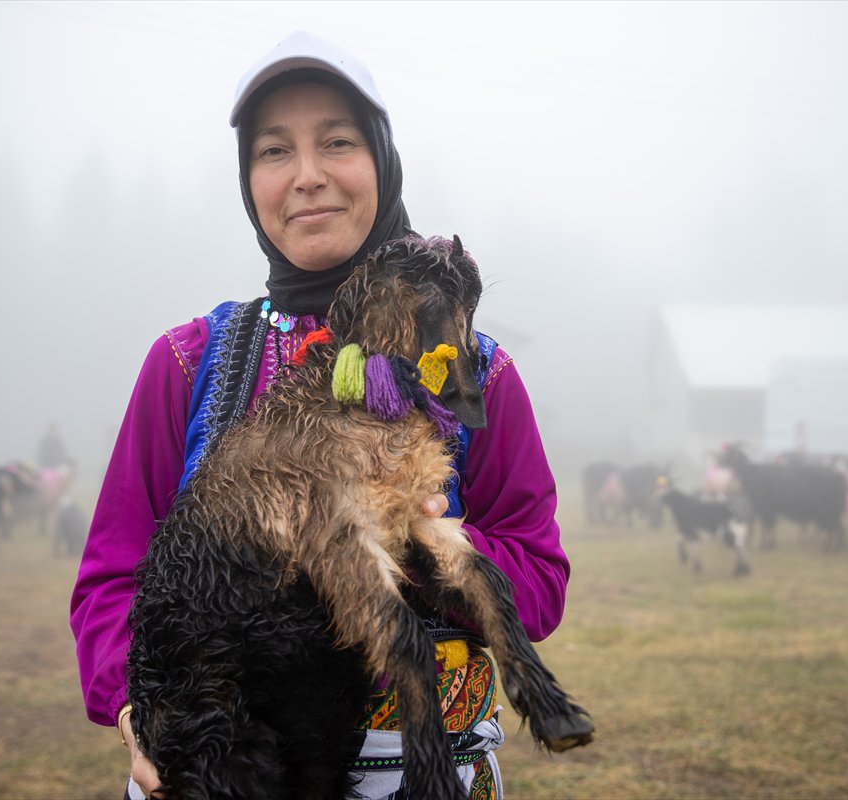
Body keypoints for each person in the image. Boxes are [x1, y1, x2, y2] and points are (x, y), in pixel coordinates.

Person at [70, 30, 570, 800]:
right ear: (248, 180)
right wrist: (143, 714)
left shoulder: (475, 374)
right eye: (273, 151)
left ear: (382, 160)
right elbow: (111, 581)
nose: (306, 177)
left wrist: (409, 544)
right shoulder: (184, 363)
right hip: (221, 771)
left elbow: (539, 581)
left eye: (336, 142)